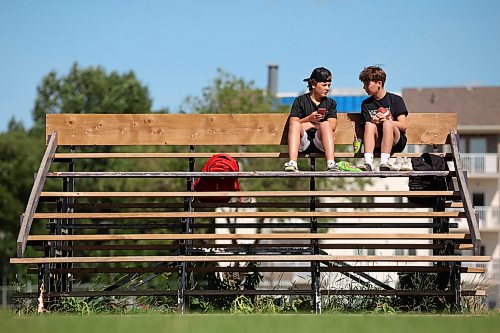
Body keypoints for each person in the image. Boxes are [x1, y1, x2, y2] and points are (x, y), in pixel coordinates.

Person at [284, 67, 338, 172]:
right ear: (313, 84)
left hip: (321, 142)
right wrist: (309, 119)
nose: (327, 88)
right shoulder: (300, 101)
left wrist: (311, 124)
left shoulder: (330, 103)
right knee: (295, 125)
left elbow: (332, 126)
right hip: (302, 142)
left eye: (329, 85)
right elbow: (293, 123)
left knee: (326, 124)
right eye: (324, 85)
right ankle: (292, 163)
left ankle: (331, 163)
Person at [357, 66, 409, 171]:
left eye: (367, 84)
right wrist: (374, 121)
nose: (364, 87)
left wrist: (386, 120)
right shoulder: (366, 104)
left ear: (379, 84)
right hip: (377, 142)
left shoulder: (396, 100)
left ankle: (384, 162)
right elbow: (367, 128)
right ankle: (368, 163)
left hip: (396, 142)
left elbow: (403, 125)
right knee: (369, 125)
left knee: (388, 124)